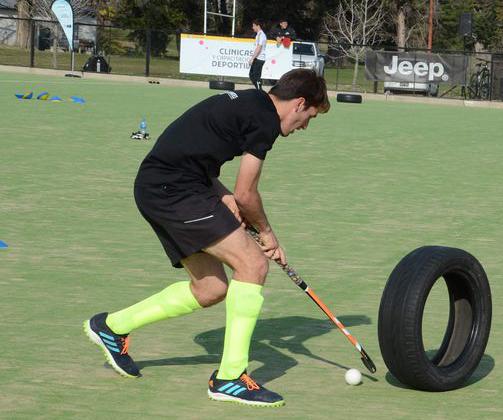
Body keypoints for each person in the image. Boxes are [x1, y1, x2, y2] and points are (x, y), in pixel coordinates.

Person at [83, 69, 330, 407]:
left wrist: (223, 196)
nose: (304, 127)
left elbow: (196, 149)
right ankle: (230, 378)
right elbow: (247, 193)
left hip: (166, 186)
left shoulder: (252, 101)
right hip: (173, 191)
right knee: (254, 265)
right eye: (310, 117)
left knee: (211, 288)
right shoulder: (266, 122)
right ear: (300, 103)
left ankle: (112, 326)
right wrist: (268, 234)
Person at [249, 18, 267, 90]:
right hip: (257, 58)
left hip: (260, 59)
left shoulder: (261, 35)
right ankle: (259, 90)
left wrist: (252, 58)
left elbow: (259, 48)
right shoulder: (258, 35)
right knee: (251, 75)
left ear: (258, 26)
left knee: (256, 77)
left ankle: (260, 91)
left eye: (253, 26)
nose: (252, 27)